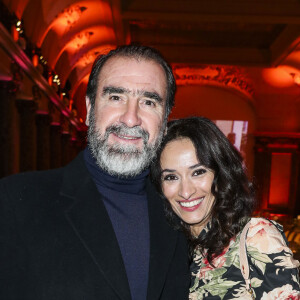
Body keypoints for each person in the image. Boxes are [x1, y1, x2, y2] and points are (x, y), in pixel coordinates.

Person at [0, 45, 190, 300]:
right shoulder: (15, 201)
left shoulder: (181, 214)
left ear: (165, 121)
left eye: (148, 102)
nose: (130, 118)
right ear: (89, 109)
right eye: (115, 97)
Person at [151, 116, 300, 300]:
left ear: (221, 174)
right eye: (171, 177)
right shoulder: (167, 247)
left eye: (198, 172)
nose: (186, 191)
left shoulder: (256, 238)